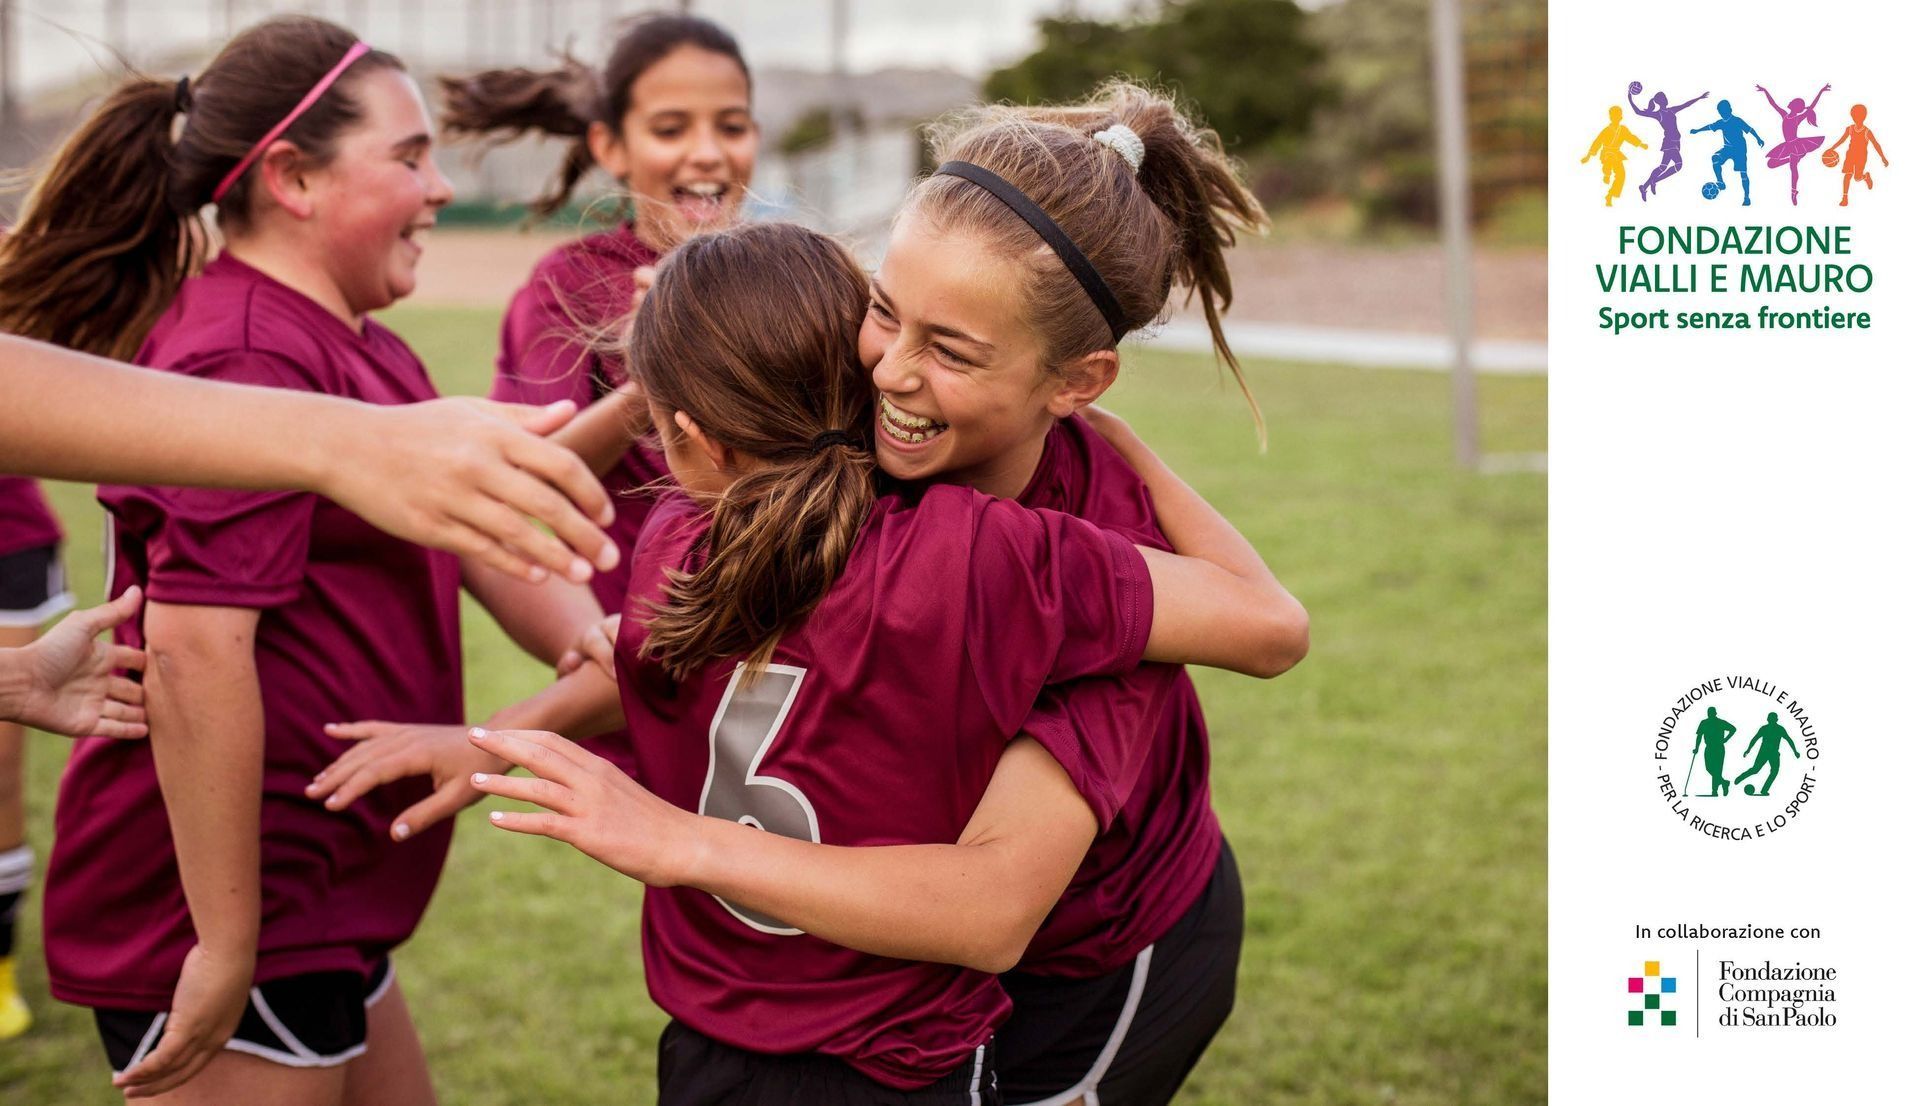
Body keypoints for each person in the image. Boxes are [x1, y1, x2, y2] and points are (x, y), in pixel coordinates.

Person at [312, 220, 1301, 1104]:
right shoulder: (985, 552)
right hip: (873, 1042)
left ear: (688, 437)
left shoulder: (673, 531)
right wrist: (495, 740)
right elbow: (665, 664)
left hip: (841, 1024)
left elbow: (988, 905)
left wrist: (667, 833)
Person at [0, 16, 593, 1102]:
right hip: (225, 912)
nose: (443, 187)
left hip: (315, 898)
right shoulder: (246, 349)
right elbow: (193, 648)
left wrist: (602, 627)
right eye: (410, 157)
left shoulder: (363, 344)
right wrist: (225, 944)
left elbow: (493, 514)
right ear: (293, 179)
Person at [440, 11, 757, 771]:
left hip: (785, 634)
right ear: (611, 147)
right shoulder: (569, 286)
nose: (708, 153)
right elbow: (526, 472)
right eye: (672, 128)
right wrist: (647, 382)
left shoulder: (774, 272)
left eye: (733, 125)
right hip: (650, 651)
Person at [1628, 83, 1709, 199]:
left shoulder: (1671, 110)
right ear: (1661, 101)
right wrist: (1629, 98)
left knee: (1662, 167)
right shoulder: (1658, 114)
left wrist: (1699, 98)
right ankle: (1654, 180)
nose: (1667, 99)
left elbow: (1686, 105)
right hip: (1670, 142)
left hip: (1675, 142)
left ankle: (1644, 187)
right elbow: (1638, 112)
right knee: (1678, 165)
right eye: (1664, 98)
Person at [1757, 82, 1830, 205]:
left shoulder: (1797, 118)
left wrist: (1821, 91)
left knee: (1793, 169)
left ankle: (1793, 191)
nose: (1789, 103)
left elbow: (1812, 106)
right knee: (1771, 163)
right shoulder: (1784, 115)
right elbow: (1773, 103)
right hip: (1787, 145)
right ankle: (1793, 161)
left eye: (1792, 102)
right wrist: (1765, 91)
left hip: (1796, 145)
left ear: (1795, 107)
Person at [1690, 99, 1765, 205]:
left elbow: (1750, 129)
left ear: (1730, 109)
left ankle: (1746, 197)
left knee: (1743, 174)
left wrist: (1758, 139)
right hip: (1727, 148)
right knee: (1715, 158)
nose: (1722, 114)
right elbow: (1709, 127)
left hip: (1739, 150)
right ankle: (1720, 182)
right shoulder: (1720, 123)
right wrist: (1697, 130)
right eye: (1720, 112)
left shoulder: (1737, 121)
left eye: (1723, 111)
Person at [1823, 103, 1889, 207]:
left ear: (1864, 117)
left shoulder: (1867, 132)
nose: (1856, 118)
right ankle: (1845, 198)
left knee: (1857, 178)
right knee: (1847, 175)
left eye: (1859, 116)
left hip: (1861, 156)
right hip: (1850, 155)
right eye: (1854, 116)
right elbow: (1842, 140)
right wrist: (1832, 148)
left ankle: (1866, 176)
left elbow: (1876, 145)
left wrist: (1883, 158)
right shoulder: (1849, 129)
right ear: (1852, 116)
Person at [1582, 106, 1647, 207]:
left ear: (1621, 117)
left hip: (1617, 153)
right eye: (1613, 116)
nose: (1615, 118)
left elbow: (1631, 138)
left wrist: (1641, 144)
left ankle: (1610, 195)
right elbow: (1597, 142)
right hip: (1607, 153)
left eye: (1617, 116)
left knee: (1621, 175)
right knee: (1610, 160)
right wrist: (1588, 156)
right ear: (1610, 117)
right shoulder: (1606, 130)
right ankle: (1607, 174)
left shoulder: (1623, 130)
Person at [1733, 712, 1800, 796]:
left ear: (1775, 720)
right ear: (1770, 719)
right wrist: (1748, 749)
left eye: (1772, 719)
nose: (1771, 720)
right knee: (1756, 770)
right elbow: (1755, 739)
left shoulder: (1780, 729)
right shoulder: (1765, 728)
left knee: (1773, 771)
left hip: (1773, 754)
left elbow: (1789, 740)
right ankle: (1740, 779)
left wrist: (1795, 751)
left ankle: (1764, 790)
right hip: (1764, 753)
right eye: (1771, 719)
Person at [1692, 706, 1736, 797]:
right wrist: (1696, 747)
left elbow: (1733, 729)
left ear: (1715, 713)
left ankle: (1714, 791)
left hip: (1719, 747)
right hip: (1709, 747)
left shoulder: (1720, 722)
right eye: (1709, 713)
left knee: (1717, 770)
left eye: (1711, 713)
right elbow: (1699, 736)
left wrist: (1726, 739)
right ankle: (1724, 782)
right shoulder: (1704, 723)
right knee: (1709, 768)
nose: (1710, 714)